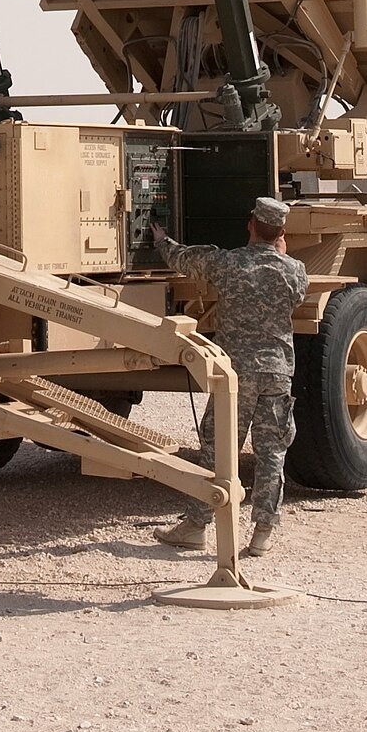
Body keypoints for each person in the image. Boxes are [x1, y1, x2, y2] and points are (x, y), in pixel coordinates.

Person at [147, 193, 307, 559]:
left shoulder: (230, 264)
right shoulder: (294, 271)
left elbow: (185, 260)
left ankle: (196, 525)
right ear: (281, 232)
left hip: (235, 374)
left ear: (251, 225)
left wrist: (160, 239)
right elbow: (295, 296)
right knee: (271, 454)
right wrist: (280, 255)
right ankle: (263, 532)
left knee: (218, 451)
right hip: (277, 372)